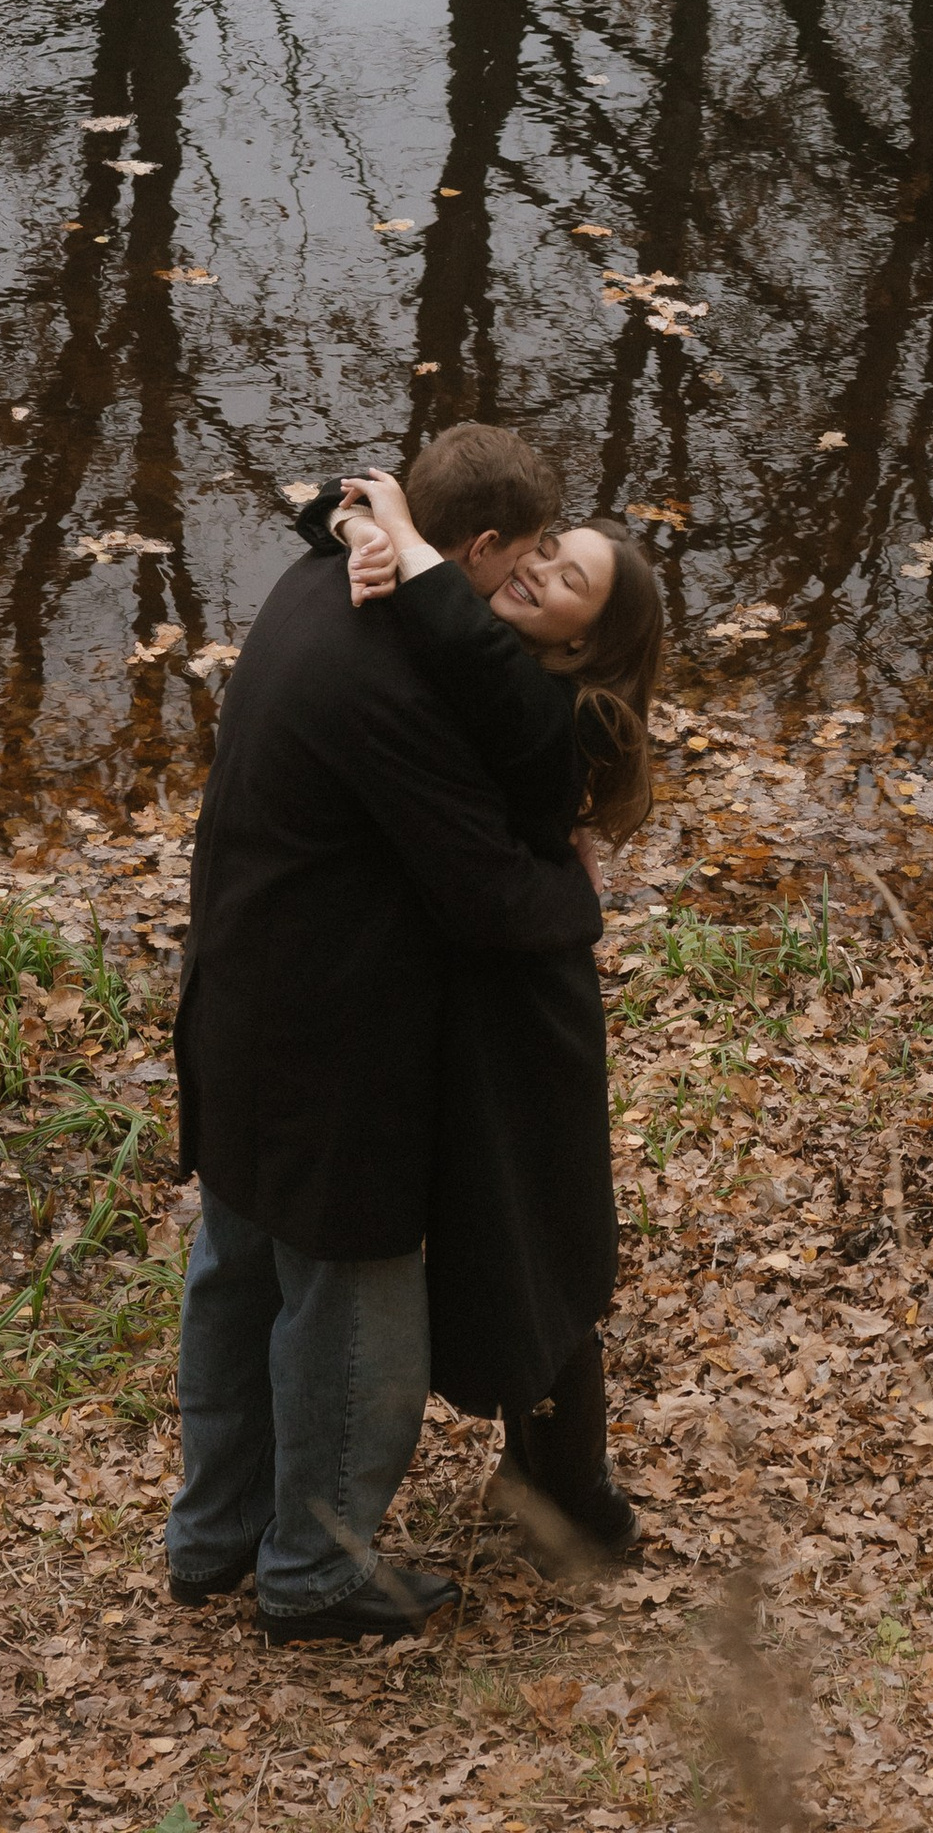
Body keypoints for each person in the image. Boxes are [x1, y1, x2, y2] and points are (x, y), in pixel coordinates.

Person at [167, 423, 598, 1645]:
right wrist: (575, 898)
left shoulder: (317, 587)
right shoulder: (388, 679)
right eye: (515, 566)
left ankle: (213, 1538)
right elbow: (482, 884)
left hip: (241, 993)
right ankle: (313, 1571)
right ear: (470, 546)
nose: (520, 589)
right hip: (329, 1043)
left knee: (237, 1276)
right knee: (354, 1310)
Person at [338, 471, 665, 1556]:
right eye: (546, 547)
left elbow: (466, 656)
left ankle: (579, 1501)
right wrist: (357, 521)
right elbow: (347, 499)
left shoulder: (561, 715)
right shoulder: (503, 663)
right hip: (492, 988)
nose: (532, 566)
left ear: (582, 643)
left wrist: (396, 540)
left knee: (547, 1241)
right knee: (511, 1234)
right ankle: (539, 1474)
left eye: (566, 576)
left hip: (533, 1005)